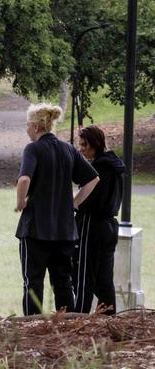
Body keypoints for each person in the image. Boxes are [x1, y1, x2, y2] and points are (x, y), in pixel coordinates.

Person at [15, 104, 99, 315]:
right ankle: (67, 325)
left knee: (33, 281)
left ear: (35, 126)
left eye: (27, 125)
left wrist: (20, 202)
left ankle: (33, 325)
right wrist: (74, 201)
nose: (26, 129)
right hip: (64, 230)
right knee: (63, 282)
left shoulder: (32, 149)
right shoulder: (68, 149)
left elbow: (24, 178)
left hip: (35, 229)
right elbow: (93, 178)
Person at [73, 125, 127, 314]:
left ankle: (78, 316)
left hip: (92, 224)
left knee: (83, 275)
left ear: (94, 144)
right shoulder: (115, 165)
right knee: (104, 278)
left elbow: (89, 200)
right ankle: (108, 317)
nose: (81, 149)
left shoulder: (98, 168)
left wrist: (75, 204)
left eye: (84, 145)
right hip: (110, 226)